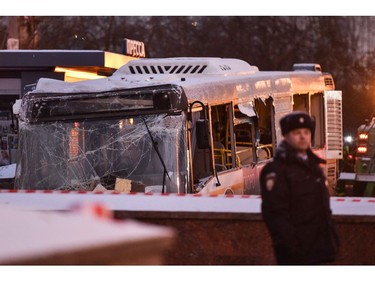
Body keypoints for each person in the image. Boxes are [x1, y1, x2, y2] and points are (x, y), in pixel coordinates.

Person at [260, 111, 339, 265]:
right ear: (286, 136)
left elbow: (322, 209)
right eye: (297, 133)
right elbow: (275, 214)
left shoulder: (314, 167)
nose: (303, 137)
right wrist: (292, 247)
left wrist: (334, 240)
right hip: (296, 255)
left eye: (306, 132)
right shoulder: (276, 170)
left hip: (322, 250)